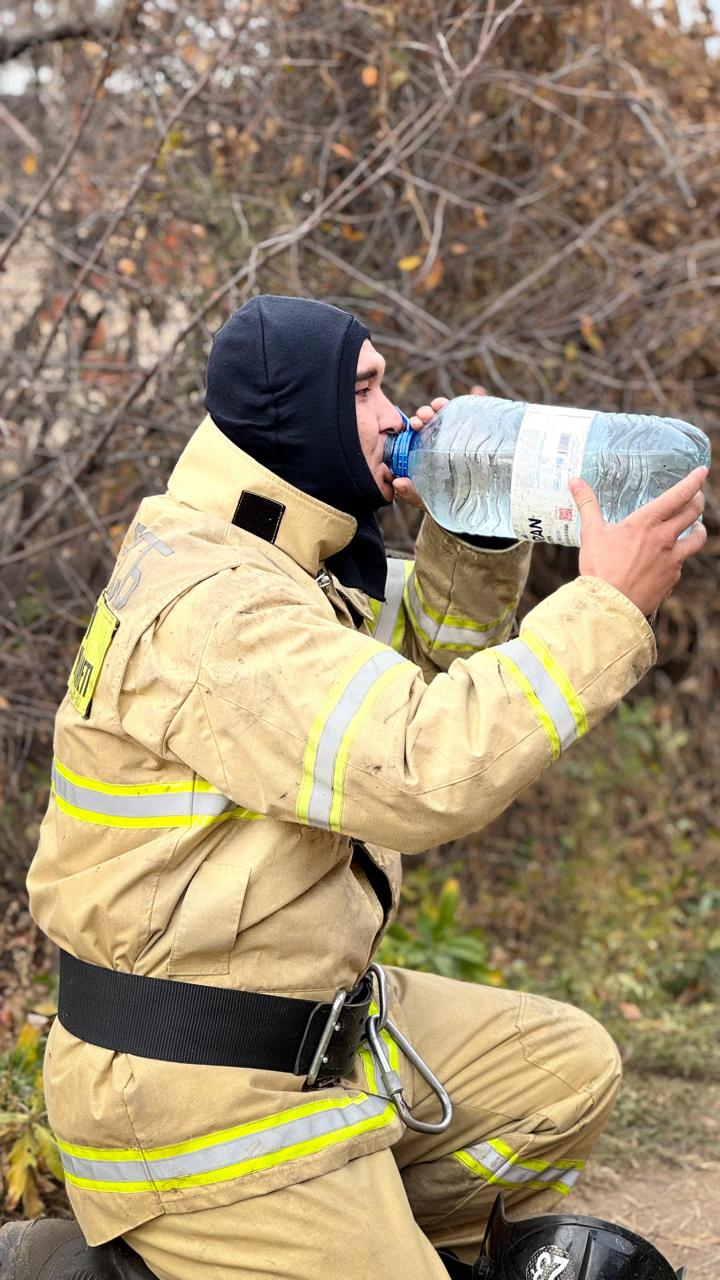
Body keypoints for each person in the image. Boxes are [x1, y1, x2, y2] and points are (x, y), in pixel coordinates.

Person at [13, 296, 707, 1279]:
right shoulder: (222, 612)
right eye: (365, 388)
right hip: (193, 1094)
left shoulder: (281, 556)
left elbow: (419, 670)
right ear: (297, 415)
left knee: (561, 1072)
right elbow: (424, 767)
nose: (395, 414)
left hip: (315, 1021)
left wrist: (478, 520)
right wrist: (602, 607)